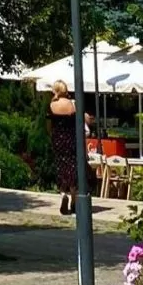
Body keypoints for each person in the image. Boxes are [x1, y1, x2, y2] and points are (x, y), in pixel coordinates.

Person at [48, 80, 95, 215]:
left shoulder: (51, 105)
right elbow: (83, 120)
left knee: (61, 168)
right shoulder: (73, 105)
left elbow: (48, 126)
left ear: (55, 90)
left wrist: (53, 136)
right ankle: (74, 200)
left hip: (58, 141)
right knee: (73, 170)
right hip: (72, 140)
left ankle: (63, 194)